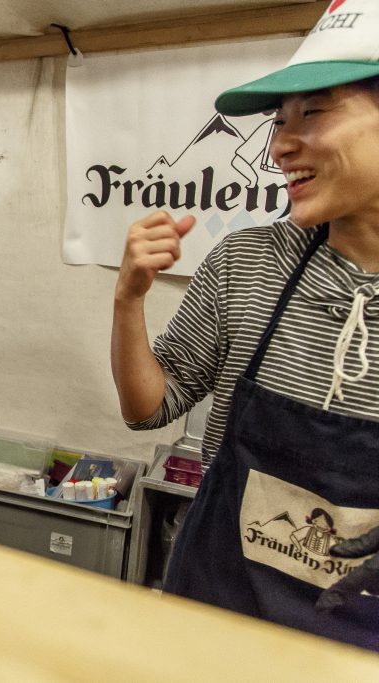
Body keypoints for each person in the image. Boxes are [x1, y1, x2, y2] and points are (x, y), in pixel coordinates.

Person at [110, 0, 379, 650]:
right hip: (212, 620)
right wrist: (128, 301)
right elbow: (150, 407)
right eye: (277, 121)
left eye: (313, 112)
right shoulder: (249, 262)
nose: (280, 145)